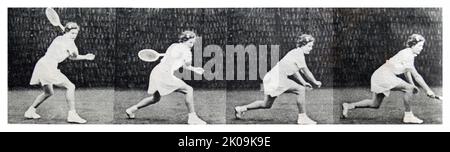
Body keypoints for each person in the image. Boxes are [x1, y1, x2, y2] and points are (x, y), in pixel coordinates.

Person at [342, 34, 438, 124]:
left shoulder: (408, 53)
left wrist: (412, 85)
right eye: (420, 46)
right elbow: (416, 75)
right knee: (408, 88)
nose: (421, 48)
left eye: (422, 46)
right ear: (413, 45)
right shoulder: (408, 54)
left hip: (378, 75)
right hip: (384, 75)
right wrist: (428, 90)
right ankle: (408, 116)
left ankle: (349, 105)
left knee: (375, 104)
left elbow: (406, 71)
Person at [234, 34, 322, 125]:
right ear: (302, 45)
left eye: (311, 46)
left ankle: (240, 109)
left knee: (266, 104)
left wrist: (304, 82)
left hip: (270, 77)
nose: (311, 48)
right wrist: (315, 81)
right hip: (277, 78)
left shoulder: (294, 53)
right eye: (309, 46)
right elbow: (306, 71)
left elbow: (295, 71)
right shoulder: (298, 54)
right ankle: (302, 118)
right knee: (300, 90)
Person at [126, 31, 207, 125]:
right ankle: (192, 118)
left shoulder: (173, 46)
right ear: (184, 40)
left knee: (155, 98)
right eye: (190, 42)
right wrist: (188, 59)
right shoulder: (187, 51)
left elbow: (181, 64)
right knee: (189, 90)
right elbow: (187, 64)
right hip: (164, 74)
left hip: (156, 72)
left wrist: (194, 69)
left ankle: (131, 109)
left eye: (193, 43)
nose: (192, 45)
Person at [25, 22, 96, 124]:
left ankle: (30, 111)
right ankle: (72, 115)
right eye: (72, 33)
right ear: (66, 32)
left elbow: (72, 56)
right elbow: (74, 53)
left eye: (76, 34)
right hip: (47, 66)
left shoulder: (66, 40)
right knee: (71, 87)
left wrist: (85, 56)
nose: (74, 36)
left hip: (43, 65)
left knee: (48, 92)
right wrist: (75, 49)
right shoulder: (62, 40)